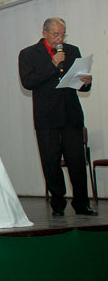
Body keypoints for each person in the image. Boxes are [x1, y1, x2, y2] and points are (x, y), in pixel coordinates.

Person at [19, 17, 96, 216]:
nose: (59, 38)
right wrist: (52, 65)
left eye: (62, 34)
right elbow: (28, 82)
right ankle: (58, 204)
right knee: (50, 161)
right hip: (46, 116)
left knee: (77, 161)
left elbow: (79, 82)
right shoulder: (28, 54)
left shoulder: (72, 51)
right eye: (55, 34)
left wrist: (86, 82)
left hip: (71, 114)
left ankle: (82, 204)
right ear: (44, 33)